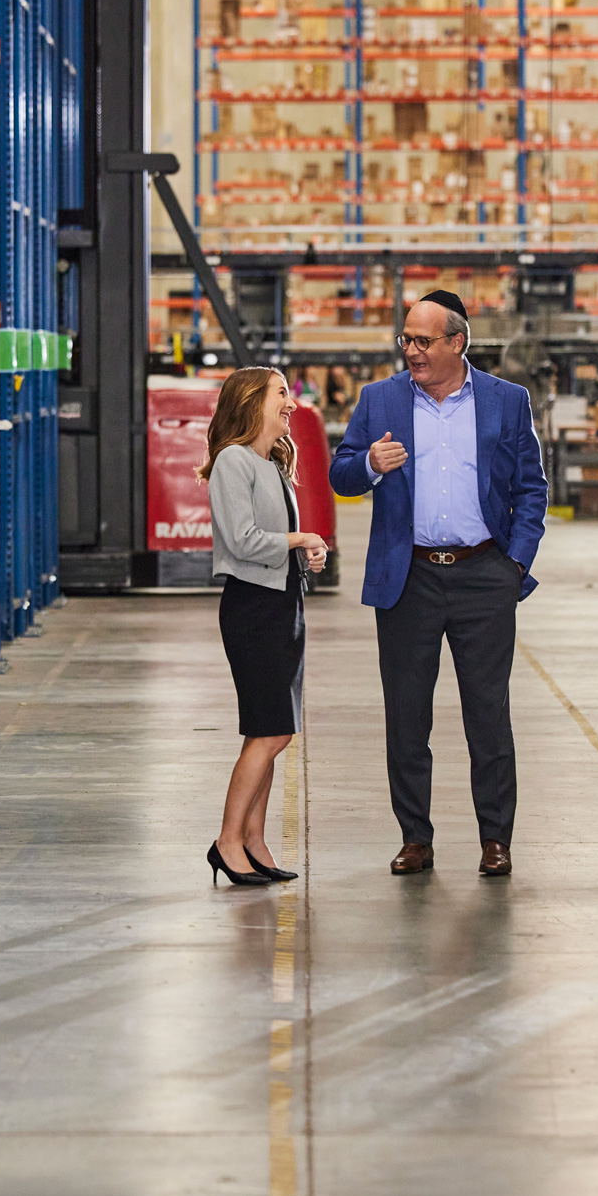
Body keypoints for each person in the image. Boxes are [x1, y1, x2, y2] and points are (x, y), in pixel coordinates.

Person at [330, 291, 548, 878]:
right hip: (410, 577)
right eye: (406, 339)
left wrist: (516, 564)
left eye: (424, 341)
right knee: (406, 716)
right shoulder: (380, 401)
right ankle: (415, 838)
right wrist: (371, 463)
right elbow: (340, 473)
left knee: (489, 713)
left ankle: (495, 840)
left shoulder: (507, 401)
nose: (412, 351)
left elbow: (532, 488)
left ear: (458, 342)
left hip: (484, 576)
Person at [203, 368, 329, 888]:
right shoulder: (234, 461)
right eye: (282, 394)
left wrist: (307, 554)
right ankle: (227, 841)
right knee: (271, 730)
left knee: (270, 730)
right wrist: (299, 540)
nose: (292, 404)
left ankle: (253, 841)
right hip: (253, 608)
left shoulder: (270, 463)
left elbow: (275, 540)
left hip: (281, 603)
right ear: (253, 401)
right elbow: (241, 539)